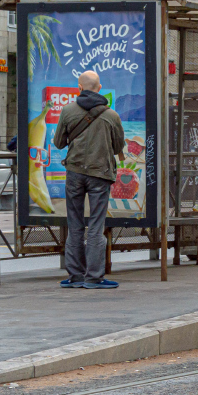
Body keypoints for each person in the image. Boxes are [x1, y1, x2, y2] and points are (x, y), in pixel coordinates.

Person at [53, 71, 124, 290]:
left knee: (74, 224)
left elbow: (58, 143)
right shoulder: (111, 115)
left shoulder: (67, 111)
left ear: (79, 87)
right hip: (100, 174)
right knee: (95, 225)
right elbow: (119, 146)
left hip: (74, 173)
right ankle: (94, 277)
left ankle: (75, 276)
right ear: (99, 87)